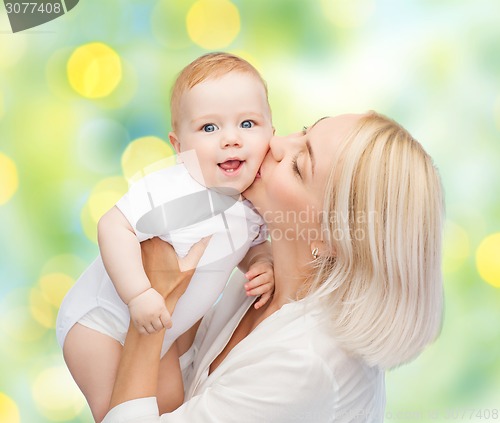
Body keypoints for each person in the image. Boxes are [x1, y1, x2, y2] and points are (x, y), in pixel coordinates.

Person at [102, 112, 444, 422]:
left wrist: (154, 303)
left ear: (331, 239)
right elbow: (176, 392)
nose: (275, 142)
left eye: (298, 165)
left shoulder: (307, 364)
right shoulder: (264, 277)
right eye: (305, 130)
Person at [56, 53, 276, 422]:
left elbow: (249, 244)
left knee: (174, 408)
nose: (231, 139)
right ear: (179, 146)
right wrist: (138, 293)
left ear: (271, 130)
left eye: (248, 123)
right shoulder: (172, 189)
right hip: (100, 324)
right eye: (209, 128)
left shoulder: (254, 200)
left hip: (164, 334)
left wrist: (261, 262)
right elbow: (113, 226)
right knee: (117, 408)